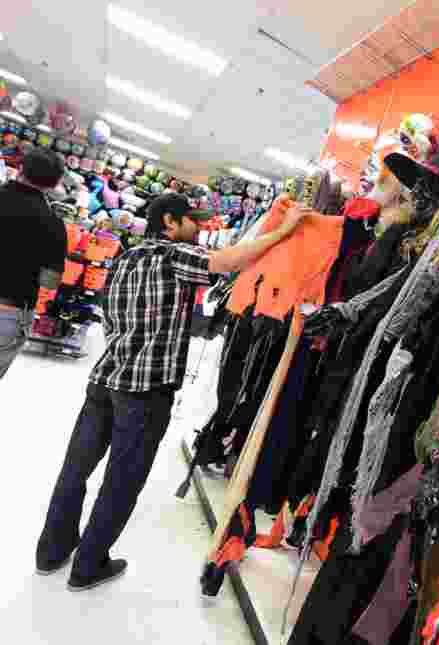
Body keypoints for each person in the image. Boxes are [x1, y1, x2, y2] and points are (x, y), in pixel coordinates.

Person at [35, 192, 310, 591]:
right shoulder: (173, 255)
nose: (198, 228)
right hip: (145, 392)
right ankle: (88, 565)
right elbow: (228, 261)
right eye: (191, 221)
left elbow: (109, 312)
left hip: (104, 378)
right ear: (169, 222)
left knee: (75, 468)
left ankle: (51, 550)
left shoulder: (126, 256)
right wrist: (285, 230)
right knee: (122, 480)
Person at [0, 148, 68, 379]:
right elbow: (50, 281)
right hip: (9, 312)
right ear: (54, 183)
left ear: (20, 168)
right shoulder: (54, 224)